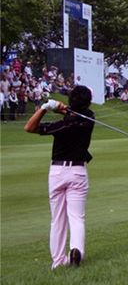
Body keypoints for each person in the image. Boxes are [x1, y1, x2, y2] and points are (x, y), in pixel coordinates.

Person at [24, 86, 95, 269]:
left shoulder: (61, 126)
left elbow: (29, 127)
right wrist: (63, 110)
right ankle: (76, 250)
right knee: (77, 217)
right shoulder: (90, 118)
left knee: (58, 219)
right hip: (78, 171)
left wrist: (45, 107)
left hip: (57, 172)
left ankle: (58, 261)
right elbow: (77, 114)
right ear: (88, 103)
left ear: (70, 101)